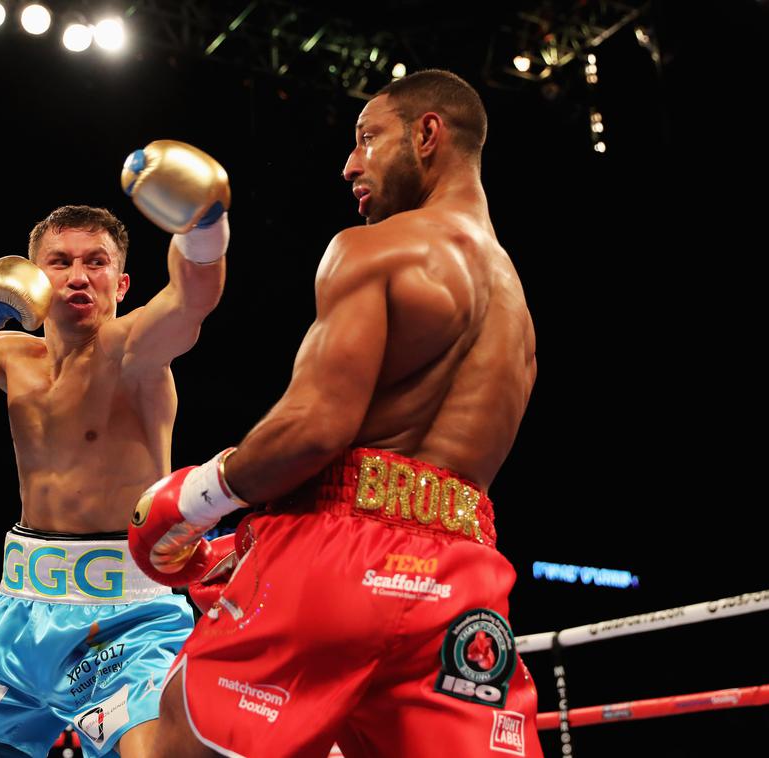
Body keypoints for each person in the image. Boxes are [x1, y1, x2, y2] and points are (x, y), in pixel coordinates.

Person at [130, 70, 543, 757]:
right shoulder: (517, 312)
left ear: (427, 134)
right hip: (465, 584)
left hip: (338, 566)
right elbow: (421, 497)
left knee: (175, 740)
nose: (350, 163)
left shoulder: (373, 246)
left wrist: (198, 497)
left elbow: (316, 428)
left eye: (366, 139)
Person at [0, 140, 232, 758]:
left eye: (96, 261)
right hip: (10, 621)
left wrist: (204, 224)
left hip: (122, 623)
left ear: (123, 279)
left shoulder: (134, 351)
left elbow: (194, 300)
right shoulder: (13, 358)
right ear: (35, 276)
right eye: (59, 261)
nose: (79, 275)